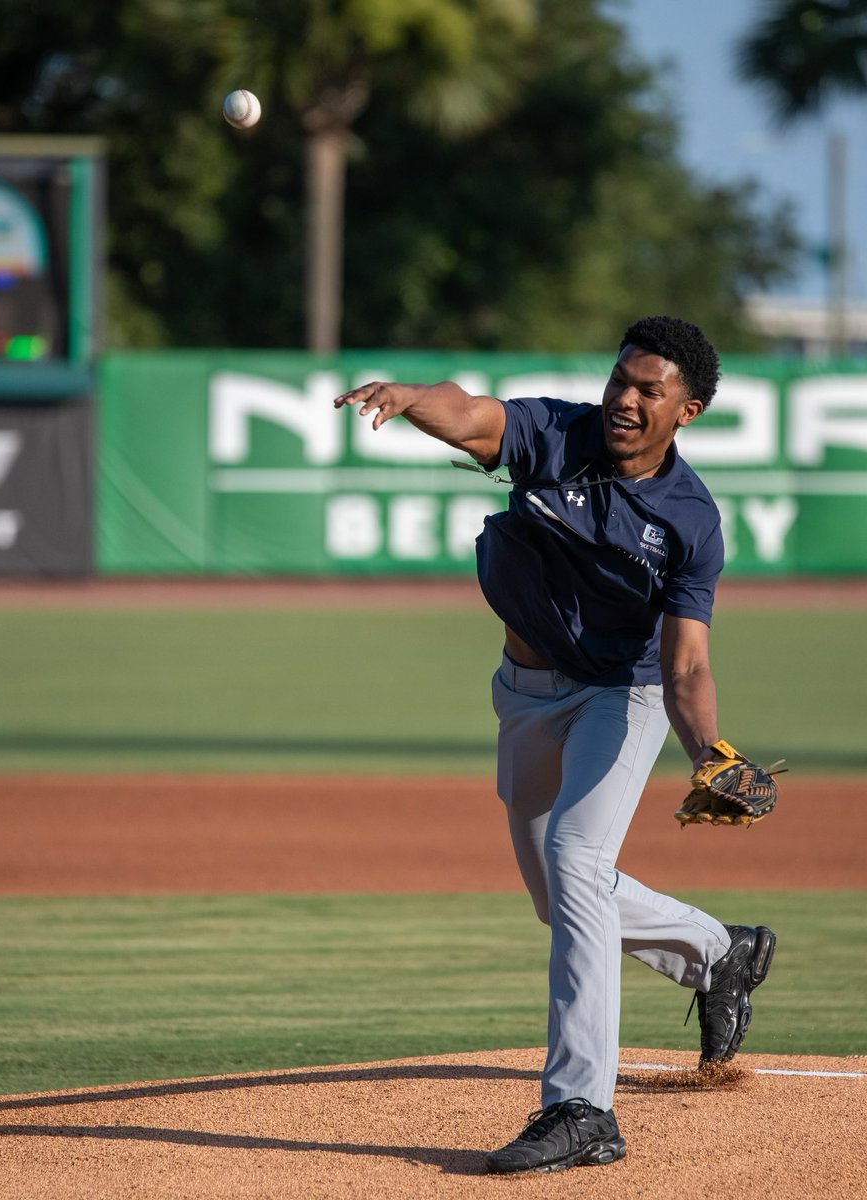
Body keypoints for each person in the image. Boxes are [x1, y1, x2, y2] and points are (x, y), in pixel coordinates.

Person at [334, 315, 776, 1176]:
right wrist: (409, 396)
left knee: (577, 862)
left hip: (625, 695)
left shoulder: (689, 522)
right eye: (621, 379)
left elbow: (685, 667)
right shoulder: (557, 433)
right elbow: (467, 413)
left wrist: (709, 752)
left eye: (650, 389)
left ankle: (581, 1109)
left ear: (685, 411)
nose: (626, 398)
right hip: (527, 696)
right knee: (558, 894)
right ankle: (718, 951)